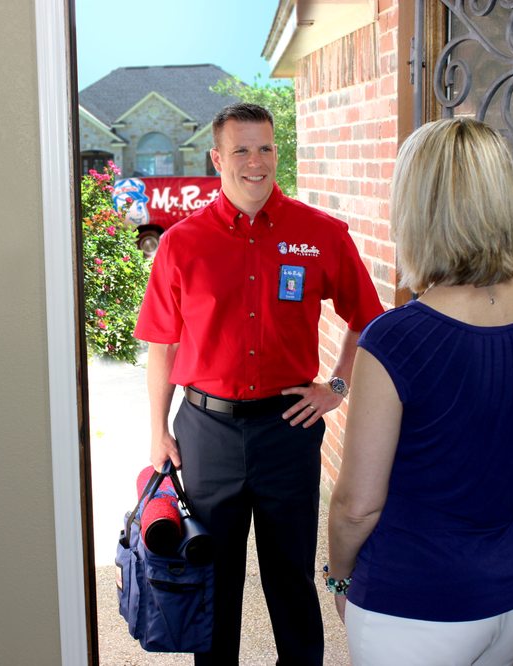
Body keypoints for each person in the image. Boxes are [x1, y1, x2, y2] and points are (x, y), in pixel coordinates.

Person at [134, 102, 383, 665]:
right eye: (241, 150)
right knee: (212, 582)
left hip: (287, 432)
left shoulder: (319, 234)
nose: (256, 162)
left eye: (266, 148)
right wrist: (157, 430)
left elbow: (368, 318)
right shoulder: (181, 244)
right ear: (217, 158)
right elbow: (161, 345)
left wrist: (336, 387)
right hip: (205, 433)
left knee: (291, 579)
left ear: (277, 153)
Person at [325, 117, 513, 665]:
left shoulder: (397, 338)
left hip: (417, 607)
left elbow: (356, 506)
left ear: (419, 210)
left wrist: (338, 580)